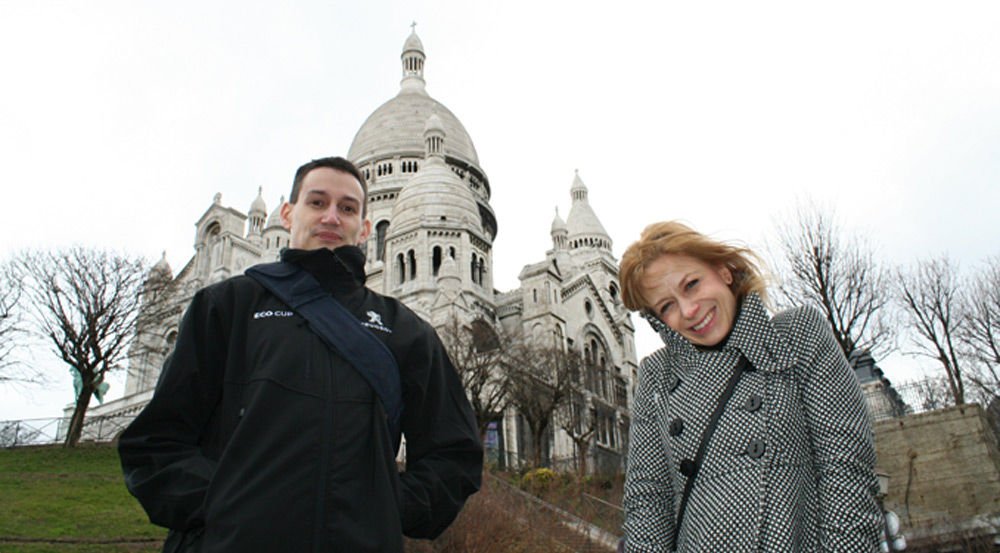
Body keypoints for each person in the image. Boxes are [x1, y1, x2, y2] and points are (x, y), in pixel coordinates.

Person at [119, 156, 483, 553]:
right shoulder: (227, 306)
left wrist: (388, 508)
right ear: (287, 214)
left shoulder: (403, 329)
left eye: (346, 208)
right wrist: (221, 505)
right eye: (317, 202)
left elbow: (455, 453)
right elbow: (156, 442)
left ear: (365, 228)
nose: (331, 217)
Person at [617, 221, 881, 552]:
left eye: (692, 285)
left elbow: (846, 470)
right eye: (667, 306)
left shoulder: (798, 335)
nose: (689, 311)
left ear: (724, 271)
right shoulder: (657, 374)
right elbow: (648, 501)